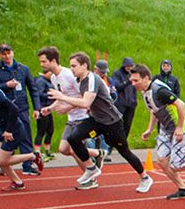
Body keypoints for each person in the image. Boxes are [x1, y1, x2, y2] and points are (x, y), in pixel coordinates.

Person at [48, 51, 153, 193]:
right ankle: (91, 168)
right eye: (70, 66)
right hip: (96, 121)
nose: (71, 69)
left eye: (74, 66)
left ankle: (145, 177)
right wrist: (64, 106)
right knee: (73, 139)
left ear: (84, 65)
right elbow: (84, 101)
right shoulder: (80, 81)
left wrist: (63, 98)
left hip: (112, 123)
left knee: (124, 152)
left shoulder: (92, 79)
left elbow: (85, 102)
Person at [130, 63, 185, 199]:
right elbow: (155, 110)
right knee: (162, 161)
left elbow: (181, 104)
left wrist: (180, 127)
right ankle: (183, 189)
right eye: (131, 80)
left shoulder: (159, 90)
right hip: (165, 129)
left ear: (146, 78)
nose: (133, 83)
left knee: (177, 165)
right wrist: (150, 129)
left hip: (178, 128)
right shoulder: (145, 92)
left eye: (136, 80)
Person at [38, 46, 106, 190]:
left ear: (53, 61)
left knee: (75, 149)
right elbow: (62, 96)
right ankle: (96, 154)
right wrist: (50, 108)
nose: (41, 65)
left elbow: (82, 97)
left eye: (44, 62)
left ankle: (91, 178)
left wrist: (66, 107)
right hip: (71, 118)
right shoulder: (54, 77)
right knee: (63, 149)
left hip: (82, 116)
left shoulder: (69, 75)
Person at [0, 43, 41, 175]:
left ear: (12, 52)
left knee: (26, 135)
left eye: (8, 53)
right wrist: (6, 85)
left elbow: (32, 89)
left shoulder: (23, 69)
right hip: (5, 108)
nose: (7, 56)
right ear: (0, 55)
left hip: (22, 107)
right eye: (3, 54)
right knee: (6, 134)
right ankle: (5, 164)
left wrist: (36, 108)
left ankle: (27, 165)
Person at [112, 57, 138, 138]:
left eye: (131, 66)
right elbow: (118, 87)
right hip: (120, 103)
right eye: (128, 66)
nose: (129, 68)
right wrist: (128, 81)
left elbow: (135, 88)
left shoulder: (133, 74)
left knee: (127, 125)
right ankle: (114, 142)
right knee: (117, 124)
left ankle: (124, 142)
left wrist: (135, 101)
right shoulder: (117, 73)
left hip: (131, 103)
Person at [33, 70, 56, 161]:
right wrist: (50, 95)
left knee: (50, 130)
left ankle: (47, 151)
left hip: (48, 109)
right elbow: (38, 94)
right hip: (42, 109)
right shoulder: (41, 81)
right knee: (41, 131)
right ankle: (37, 153)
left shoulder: (48, 81)